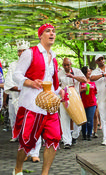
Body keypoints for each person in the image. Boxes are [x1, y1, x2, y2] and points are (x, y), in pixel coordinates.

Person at [12, 24, 66, 175]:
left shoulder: (54, 58)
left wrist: (60, 91)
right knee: (27, 141)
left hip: (50, 106)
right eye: (48, 31)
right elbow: (16, 75)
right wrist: (31, 82)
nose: (52, 33)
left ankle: (45, 173)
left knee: (54, 138)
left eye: (54, 31)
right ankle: (18, 169)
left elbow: (52, 83)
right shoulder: (30, 53)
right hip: (32, 105)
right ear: (40, 35)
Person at [58, 57, 86, 148]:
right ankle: (67, 141)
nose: (66, 67)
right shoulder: (59, 73)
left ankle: (75, 136)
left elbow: (84, 80)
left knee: (77, 118)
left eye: (68, 65)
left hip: (75, 98)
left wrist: (73, 76)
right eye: (65, 65)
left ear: (71, 64)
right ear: (62, 65)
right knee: (64, 119)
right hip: (64, 98)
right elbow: (56, 85)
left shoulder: (77, 71)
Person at [79, 66, 97, 141]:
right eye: (88, 71)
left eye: (90, 71)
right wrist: (84, 89)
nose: (89, 73)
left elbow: (96, 92)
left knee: (90, 119)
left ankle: (89, 134)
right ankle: (84, 134)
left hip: (92, 103)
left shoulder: (93, 82)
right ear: (84, 73)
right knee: (84, 120)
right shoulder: (81, 82)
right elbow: (78, 91)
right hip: (82, 103)